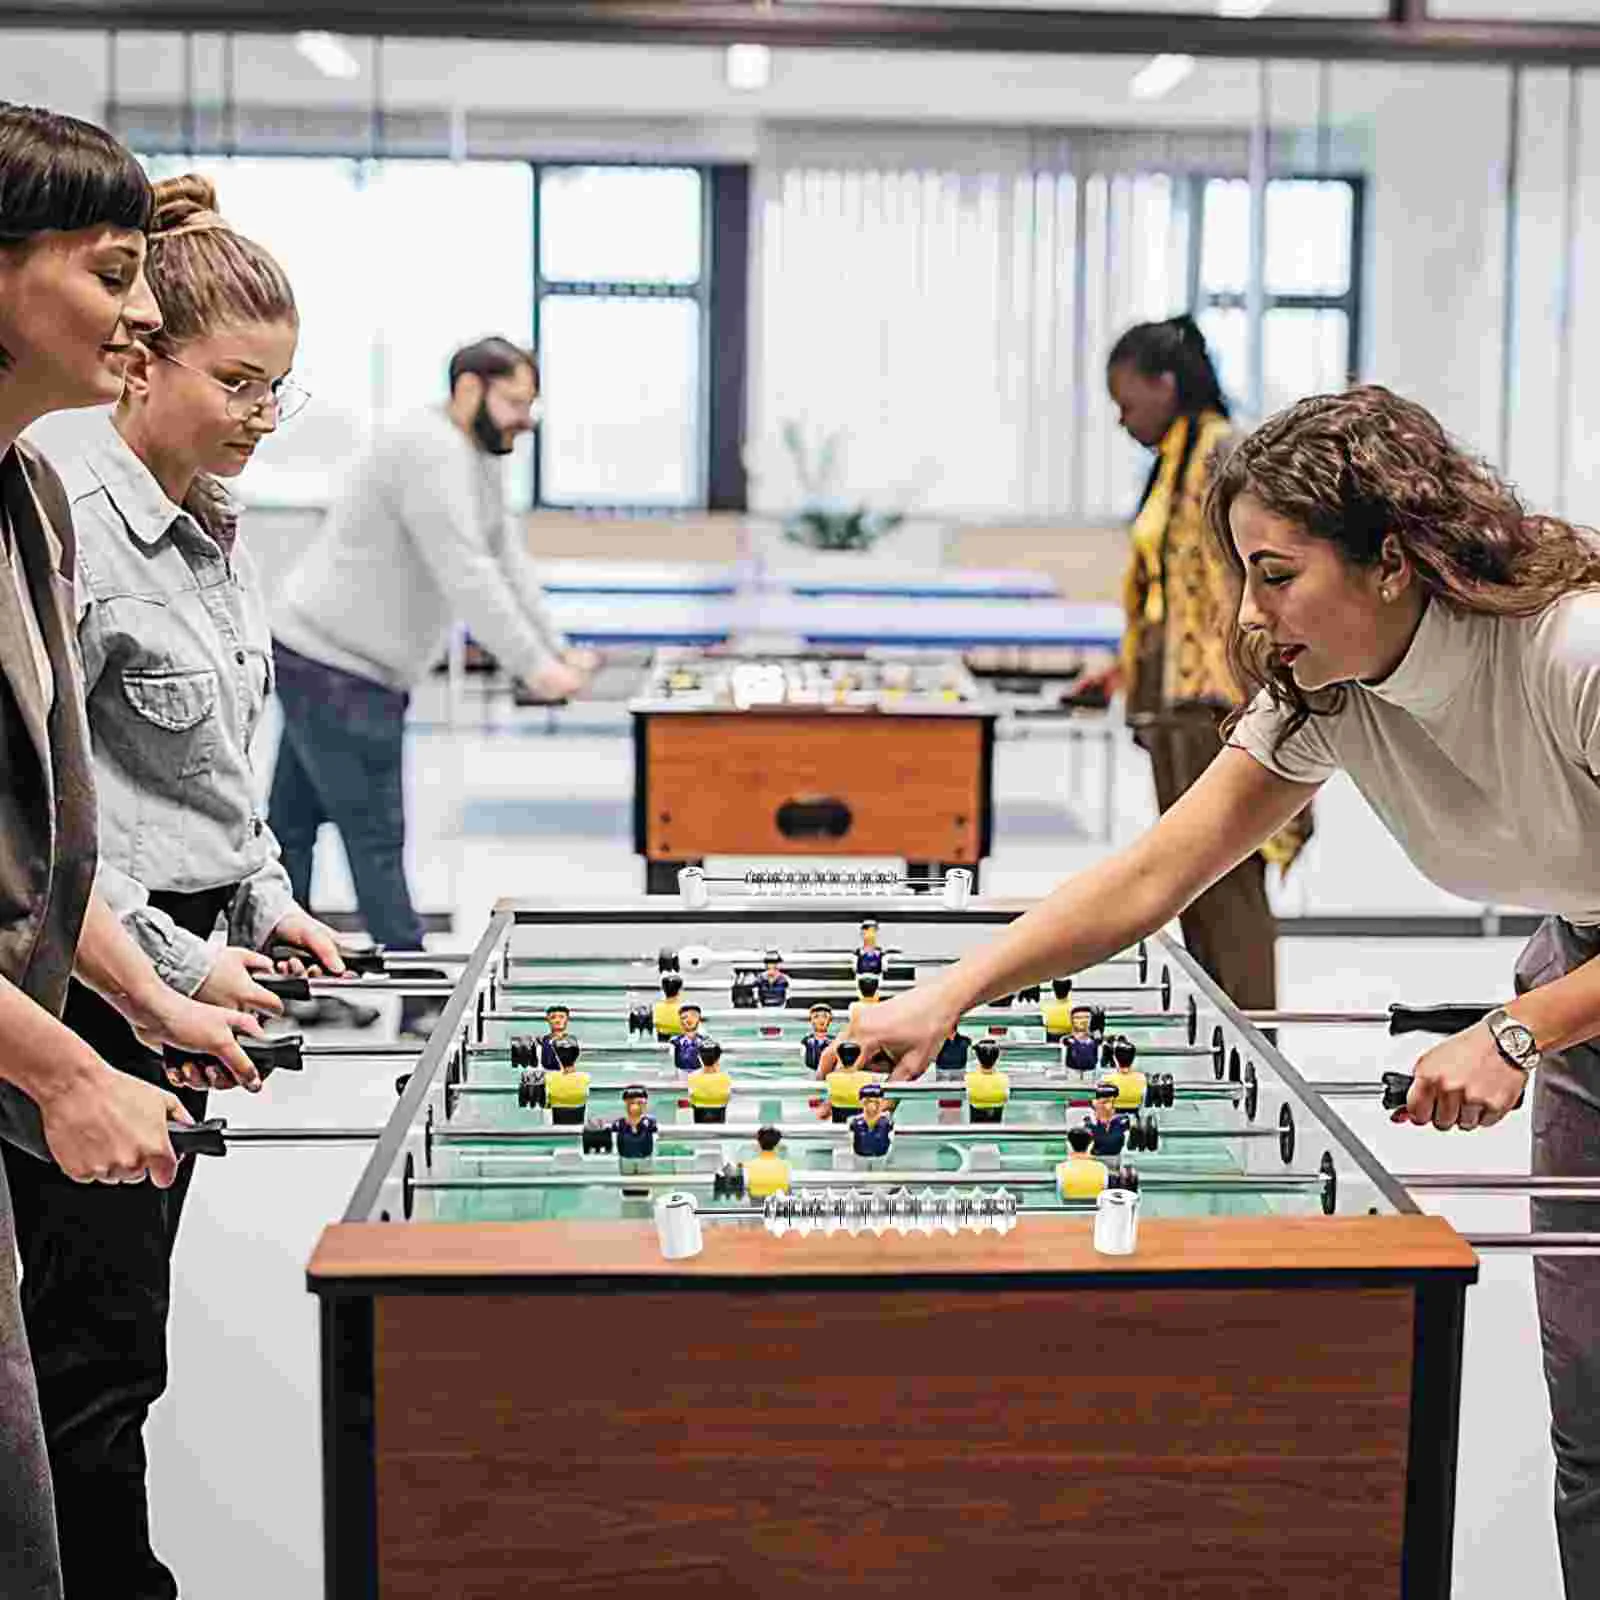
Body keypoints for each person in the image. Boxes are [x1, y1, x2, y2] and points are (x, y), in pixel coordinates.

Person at [845, 384, 1600, 1600]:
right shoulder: (1328, 690)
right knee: (1594, 1408)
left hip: (1566, 998)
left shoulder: (1573, 650)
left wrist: (1517, 1030)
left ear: (1393, 562)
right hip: (1582, 973)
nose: (1249, 612)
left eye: (1275, 572)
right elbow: (1154, 872)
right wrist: (956, 991)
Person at [6, 172, 356, 1600]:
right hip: (79, 979)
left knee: (124, 1328)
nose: (261, 416)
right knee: (92, 1346)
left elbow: (214, 767)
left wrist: (264, 901)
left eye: (280, 388)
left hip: (167, 970)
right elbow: (61, 818)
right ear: (138, 354)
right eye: (235, 382)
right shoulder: (62, 515)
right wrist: (162, 967)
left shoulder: (209, 514)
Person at [0, 104, 264, 1600]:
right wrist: (65, 1063)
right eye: (111, 275)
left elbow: (51, 840)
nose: (143, 309)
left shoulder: (28, 499)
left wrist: (154, 1006)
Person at [268, 336, 592, 1036]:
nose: (523, 421)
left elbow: (507, 557)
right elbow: (467, 572)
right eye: (513, 402)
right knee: (374, 833)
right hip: (337, 664)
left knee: (289, 829)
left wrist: (557, 648)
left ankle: (281, 986)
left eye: (530, 406)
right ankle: (419, 1002)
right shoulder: (430, 451)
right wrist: (535, 669)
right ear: (469, 388)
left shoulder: (471, 457)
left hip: (326, 654)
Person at [1102, 315, 1311, 1010]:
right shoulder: (1173, 458)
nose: (1122, 419)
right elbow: (1170, 586)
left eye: (1128, 402)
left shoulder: (1226, 453)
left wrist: (1269, 694)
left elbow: (1256, 579)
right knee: (1189, 886)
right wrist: (1122, 674)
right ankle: (1220, 1035)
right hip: (1176, 705)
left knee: (1230, 888)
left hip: (1220, 705)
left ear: (1167, 385)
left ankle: (1257, 1050)